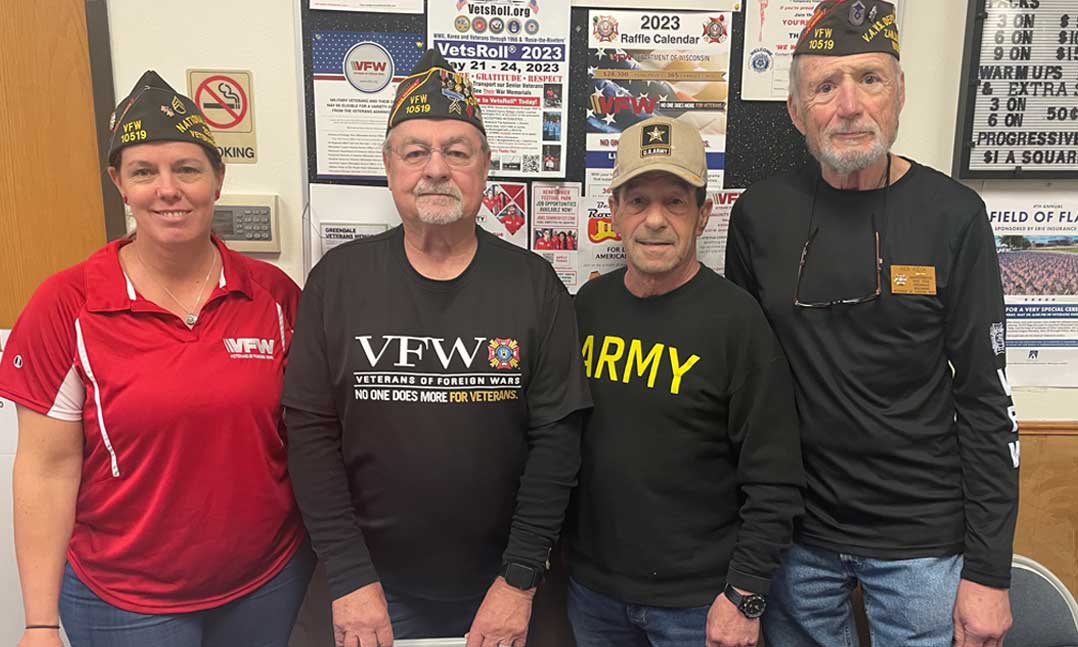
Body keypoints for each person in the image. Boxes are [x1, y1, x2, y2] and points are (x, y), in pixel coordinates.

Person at [724, 3, 1018, 646]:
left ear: (900, 93)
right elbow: (744, 390)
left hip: (924, 543)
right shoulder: (759, 216)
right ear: (797, 111)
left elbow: (985, 401)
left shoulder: (955, 216)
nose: (849, 104)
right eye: (825, 86)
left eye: (871, 79)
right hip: (796, 541)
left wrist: (990, 573)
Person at [282, 49, 591, 647]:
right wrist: (347, 575)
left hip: (504, 586)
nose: (436, 169)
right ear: (388, 165)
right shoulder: (337, 281)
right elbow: (311, 434)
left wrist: (519, 580)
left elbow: (558, 444)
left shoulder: (534, 285)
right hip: (371, 585)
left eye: (457, 150)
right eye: (416, 151)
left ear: (485, 166)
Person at [0, 71, 312, 647]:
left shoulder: (273, 295)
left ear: (217, 180)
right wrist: (39, 623)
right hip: (125, 598)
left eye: (187, 169)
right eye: (145, 171)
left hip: (267, 579)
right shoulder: (66, 304)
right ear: (120, 183)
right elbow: (46, 470)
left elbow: (305, 437)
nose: (168, 189)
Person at [568, 116, 804, 647]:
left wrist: (744, 594)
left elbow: (775, 477)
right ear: (614, 212)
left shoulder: (738, 323)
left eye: (674, 202)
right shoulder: (587, 308)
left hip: (702, 604)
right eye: (638, 201)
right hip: (595, 595)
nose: (655, 220)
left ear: (703, 214)